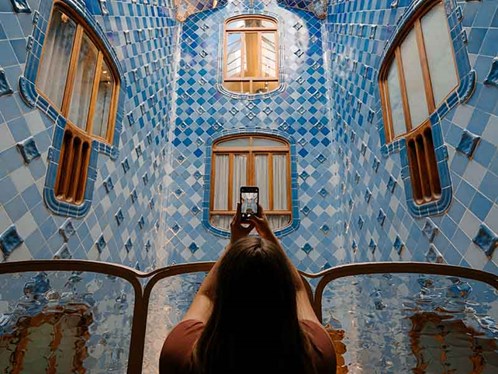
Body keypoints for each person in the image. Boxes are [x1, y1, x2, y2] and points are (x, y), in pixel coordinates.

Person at [159, 203, 336, 373]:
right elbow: (298, 289)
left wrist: (234, 242)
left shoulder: (181, 353)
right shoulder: (318, 354)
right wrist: (268, 235)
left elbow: (206, 295)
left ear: (224, 294)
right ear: (285, 294)